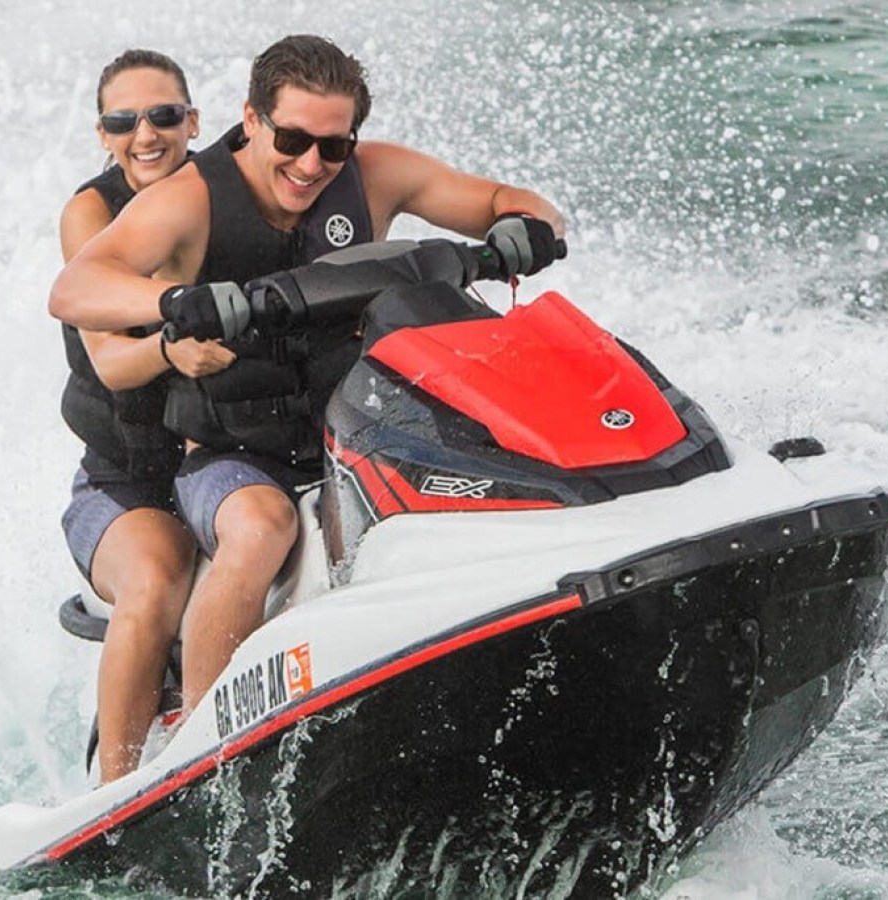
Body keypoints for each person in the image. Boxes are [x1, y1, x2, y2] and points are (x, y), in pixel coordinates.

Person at [50, 34, 565, 736]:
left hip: (357, 431)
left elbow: (510, 199)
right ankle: (208, 745)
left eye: (333, 146)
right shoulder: (190, 200)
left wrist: (526, 227)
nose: (310, 164)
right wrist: (170, 305)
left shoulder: (379, 174)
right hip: (231, 459)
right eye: (292, 139)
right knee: (263, 528)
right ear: (253, 119)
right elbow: (76, 287)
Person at [58, 49, 225, 784]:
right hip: (127, 487)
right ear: (103, 133)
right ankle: (114, 793)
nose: (145, 134)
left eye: (162, 116)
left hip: (231, 461)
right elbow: (111, 362)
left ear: (194, 121)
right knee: (159, 577)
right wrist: (173, 343)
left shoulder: (228, 192)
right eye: (123, 121)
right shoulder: (92, 214)